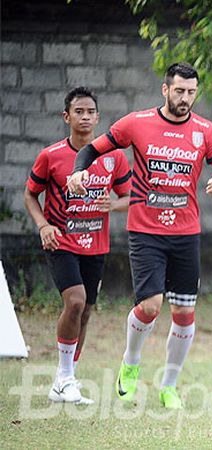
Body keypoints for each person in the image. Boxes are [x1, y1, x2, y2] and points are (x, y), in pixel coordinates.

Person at [67, 62, 212, 410]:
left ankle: (170, 385)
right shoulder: (137, 123)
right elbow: (91, 150)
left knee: (184, 313)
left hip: (186, 233)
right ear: (165, 89)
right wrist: (78, 172)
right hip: (145, 230)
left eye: (191, 92)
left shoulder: (206, 131)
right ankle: (130, 363)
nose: (185, 98)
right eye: (179, 91)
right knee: (150, 306)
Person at [24, 87, 130, 405]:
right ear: (66, 117)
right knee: (75, 302)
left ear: (98, 117)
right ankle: (66, 378)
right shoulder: (51, 155)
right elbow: (30, 194)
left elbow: (131, 197)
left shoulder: (114, 156)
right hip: (61, 241)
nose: (85, 117)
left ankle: (65, 380)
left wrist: (112, 205)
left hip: (96, 245)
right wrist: (44, 226)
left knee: (85, 312)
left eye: (90, 112)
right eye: (78, 112)